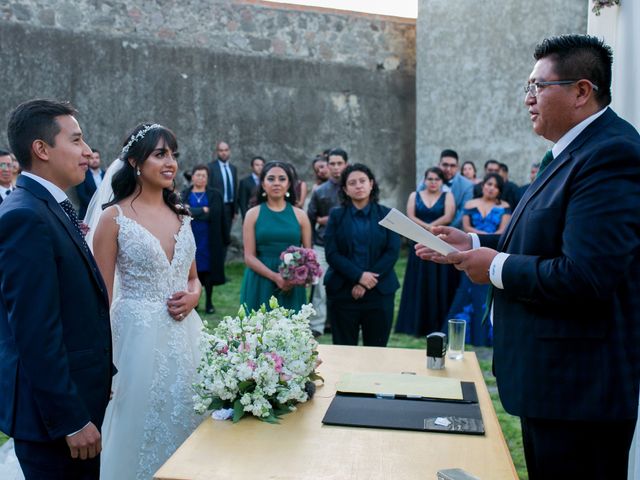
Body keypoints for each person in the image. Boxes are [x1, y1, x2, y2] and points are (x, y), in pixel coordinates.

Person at [416, 35, 640, 479]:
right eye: (527, 87)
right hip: (552, 384)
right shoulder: (567, 152)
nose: (528, 99)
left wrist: (494, 268)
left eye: (538, 86)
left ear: (581, 91)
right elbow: (543, 241)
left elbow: (586, 275)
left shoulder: (611, 154)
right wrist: (477, 245)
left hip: (579, 392)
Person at [0, 99, 113, 479]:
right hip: (55, 422)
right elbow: (35, 332)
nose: (87, 151)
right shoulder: (25, 216)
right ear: (42, 149)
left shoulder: (50, 207)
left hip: (78, 396)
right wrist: (70, 420)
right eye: (77, 140)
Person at [89, 123, 204, 479]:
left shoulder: (182, 215)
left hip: (186, 337)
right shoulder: (114, 219)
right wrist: (102, 364)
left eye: (173, 155)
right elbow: (99, 299)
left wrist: (195, 296)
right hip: (134, 340)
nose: (170, 162)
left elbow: (192, 277)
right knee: (136, 423)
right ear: (136, 162)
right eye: (160, 154)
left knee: (190, 414)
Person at [324, 163, 400, 346]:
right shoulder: (336, 216)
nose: (358, 186)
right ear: (345, 189)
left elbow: (392, 252)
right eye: (352, 183)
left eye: (362, 181)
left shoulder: (388, 215)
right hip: (343, 292)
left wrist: (366, 282)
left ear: (371, 184)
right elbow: (332, 253)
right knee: (344, 352)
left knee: (376, 353)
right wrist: (358, 276)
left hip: (379, 292)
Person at [446, 173, 511, 346]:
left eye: (495, 186)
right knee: (465, 290)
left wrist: (483, 240)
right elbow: (466, 227)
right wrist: (476, 239)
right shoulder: (470, 204)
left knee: (484, 291)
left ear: (499, 190)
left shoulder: (505, 206)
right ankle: (462, 332)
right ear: (483, 185)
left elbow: (503, 231)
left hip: (491, 252)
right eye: (489, 184)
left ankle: (485, 334)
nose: (491, 188)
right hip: (469, 250)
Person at [240, 161, 312, 312]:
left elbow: (308, 254)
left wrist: (296, 277)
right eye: (271, 178)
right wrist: (275, 277)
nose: (276, 183)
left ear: (289, 184)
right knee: (258, 331)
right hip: (260, 280)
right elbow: (248, 257)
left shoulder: (301, 216)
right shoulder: (252, 214)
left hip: (292, 283)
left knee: (292, 331)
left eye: (282, 178)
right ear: (263, 184)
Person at [395, 167, 456, 336]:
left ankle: (437, 321)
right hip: (419, 239)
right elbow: (410, 215)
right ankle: (415, 323)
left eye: (437, 179)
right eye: (430, 179)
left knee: (438, 280)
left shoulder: (448, 196)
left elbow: (448, 215)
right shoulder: (414, 195)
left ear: (442, 181)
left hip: (439, 240)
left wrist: (433, 227)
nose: (433, 182)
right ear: (425, 180)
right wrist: (425, 228)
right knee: (418, 280)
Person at [306, 148, 348, 335]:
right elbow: (310, 219)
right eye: (333, 163)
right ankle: (316, 325)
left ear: (346, 164)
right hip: (322, 245)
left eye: (340, 163)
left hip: (348, 246)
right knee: (320, 287)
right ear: (327, 165)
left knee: (347, 285)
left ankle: (343, 322)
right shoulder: (320, 191)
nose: (336, 167)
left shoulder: (352, 188)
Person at [181, 165, 228, 314]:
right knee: (191, 270)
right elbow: (183, 212)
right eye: (198, 175)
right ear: (192, 176)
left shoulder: (215, 195)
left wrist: (193, 211)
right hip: (190, 236)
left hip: (208, 238)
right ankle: (194, 301)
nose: (201, 178)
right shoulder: (184, 194)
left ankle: (208, 302)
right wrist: (203, 210)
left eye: (204, 176)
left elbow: (214, 215)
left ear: (207, 179)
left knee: (207, 270)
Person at [207, 141, 237, 256]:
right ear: (217, 152)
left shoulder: (233, 168)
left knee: (226, 237)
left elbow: (235, 188)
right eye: (221, 150)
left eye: (226, 150)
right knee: (215, 237)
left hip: (229, 208)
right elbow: (209, 188)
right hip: (216, 207)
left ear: (229, 151)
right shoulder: (210, 167)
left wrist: (235, 210)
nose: (224, 153)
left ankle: (221, 268)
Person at [438, 149, 473, 229]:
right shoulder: (428, 180)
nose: (448, 169)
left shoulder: (467, 185)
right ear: (439, 165)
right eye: (445, 165)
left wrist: (445, 231)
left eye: (452, 166)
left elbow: (463, 213)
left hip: (452, 231)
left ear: (457, 167)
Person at [75, 148, 104, 219]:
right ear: (87, 160)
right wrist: (96, 206)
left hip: (104, 212)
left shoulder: (106, 174)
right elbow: (82, 195)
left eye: (97, 158)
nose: (94, 160)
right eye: (92, 158)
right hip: (87, 213)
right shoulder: (82, 175)